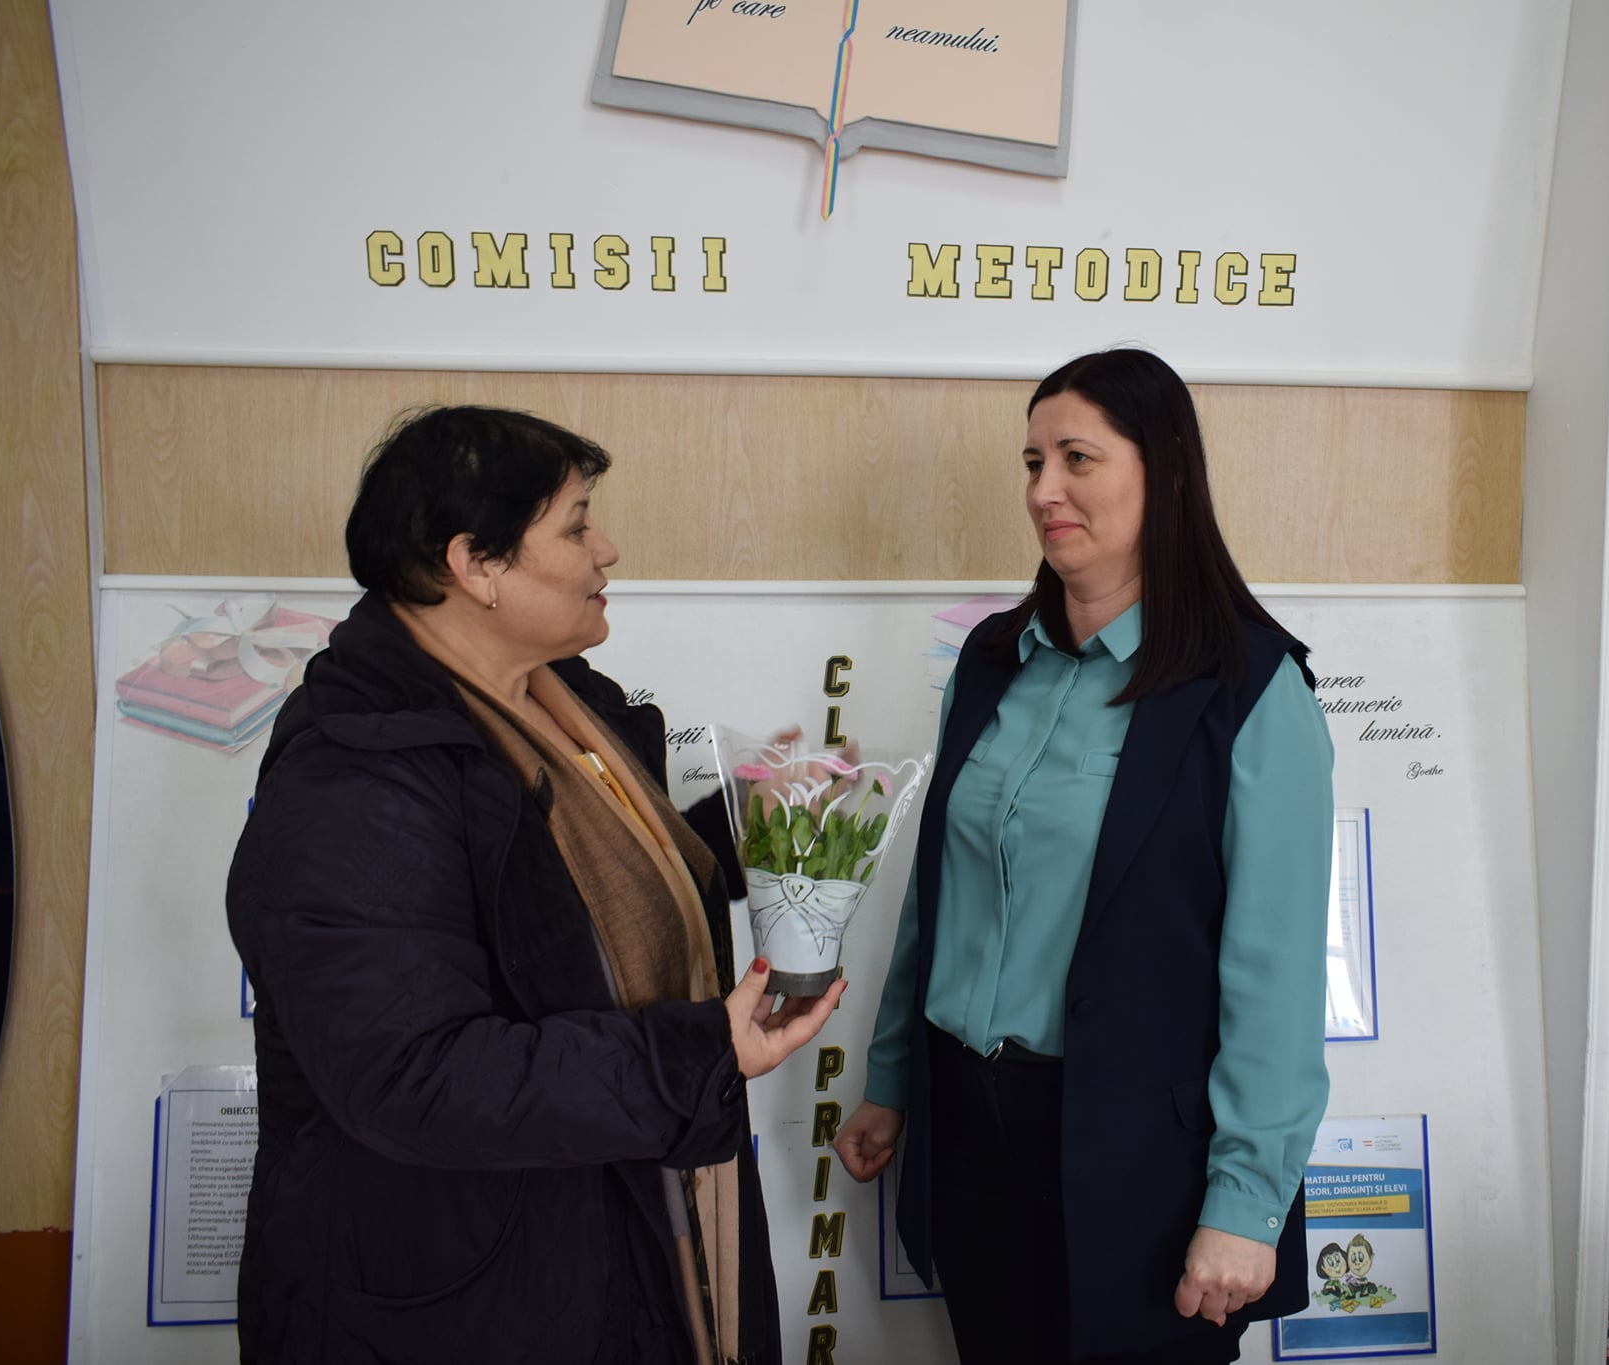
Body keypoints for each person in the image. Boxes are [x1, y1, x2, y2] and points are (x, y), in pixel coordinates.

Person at [226, 405, 842, 1365]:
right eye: (576, 524)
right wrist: (689, 1056)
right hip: (465, 1301)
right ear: (475, 565)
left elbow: (569, 909)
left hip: (610, 1239)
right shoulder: (356, 778)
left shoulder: (563, 702)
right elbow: (414, 1075)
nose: (608, 549)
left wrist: (746, 824)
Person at [834, 349, 1335, 1363]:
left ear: (1165, 472)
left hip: (1138, 1157)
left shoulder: (1247, 687)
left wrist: (1246, 1202)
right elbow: (937, 896)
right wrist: (890, 1078)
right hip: (969, 1134)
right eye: (1032, 463)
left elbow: (1275, 976)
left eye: (1076, 458)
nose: (1042, 491)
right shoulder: (990, 662)